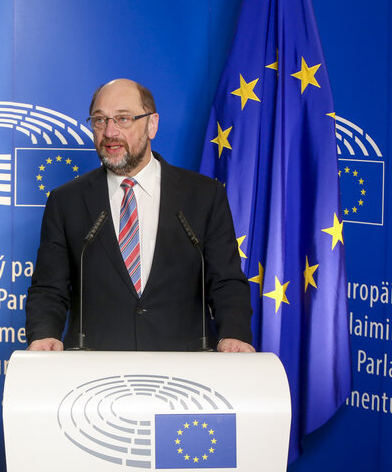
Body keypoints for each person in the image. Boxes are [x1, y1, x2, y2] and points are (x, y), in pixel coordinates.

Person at [25, 79, 254, 352]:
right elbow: (49, 289)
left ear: (152, 124)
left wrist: (234, 333)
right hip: (94, 373)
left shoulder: (204, 196)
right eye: (99, 120)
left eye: (123, 119)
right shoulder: (66, 202)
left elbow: (226, 280)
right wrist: (44, 334)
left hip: (184, 372)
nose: (110, 132)